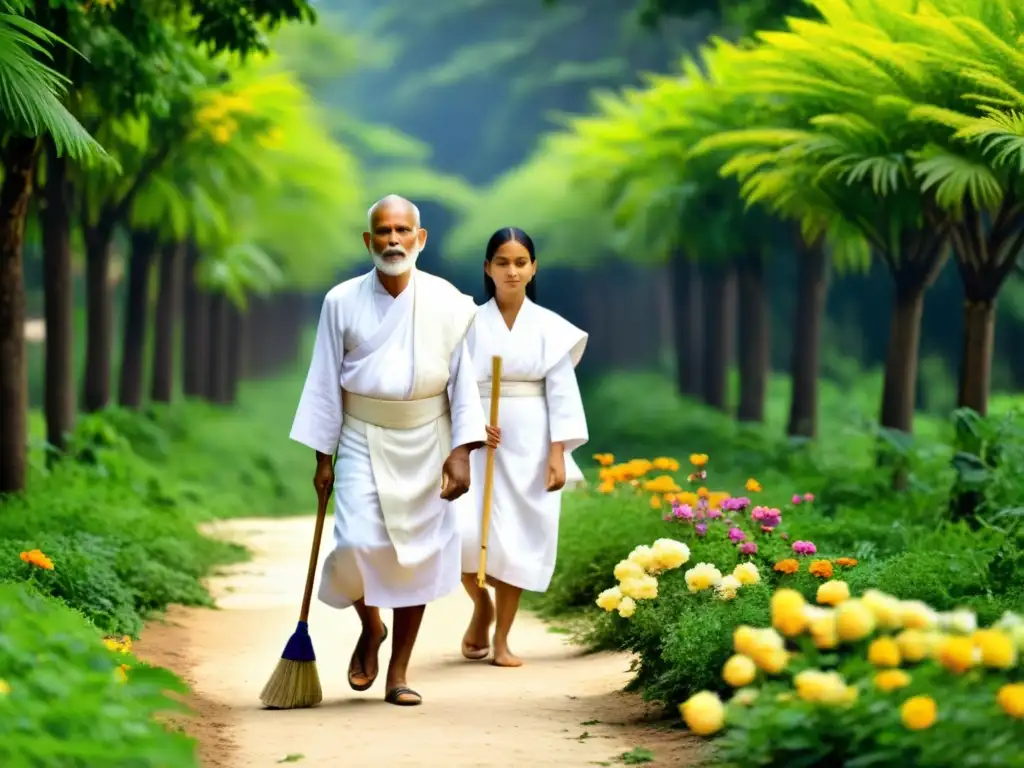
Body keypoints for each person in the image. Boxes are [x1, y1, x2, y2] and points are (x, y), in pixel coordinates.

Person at [289, 194, 487, 706]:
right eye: (383, 231)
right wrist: (322, 458)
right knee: (356, 543)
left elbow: (464, 382)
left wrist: (462, 451)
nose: (393, 240)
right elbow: (323, 381)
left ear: (420, 239)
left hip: (429, 437)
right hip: (360, 434)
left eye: (403, 231)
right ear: (368, 240)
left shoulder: (450, 302)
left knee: (416, 556)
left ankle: (398, 670)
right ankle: (369, 626)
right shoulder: (341, 302)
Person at [458, 227, 589, 667]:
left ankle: (503, 640)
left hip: (532, 441)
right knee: (461, 533)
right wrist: (473, 425)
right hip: (478, 440)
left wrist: (557, 453)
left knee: (517, 537)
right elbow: (452, 386)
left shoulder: (551, 328)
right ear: (487, 268)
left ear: (533, 268)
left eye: (520, 262)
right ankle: (481, 606)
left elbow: (563, 395)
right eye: (502, 262)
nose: (512, 271)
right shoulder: (467, 324)